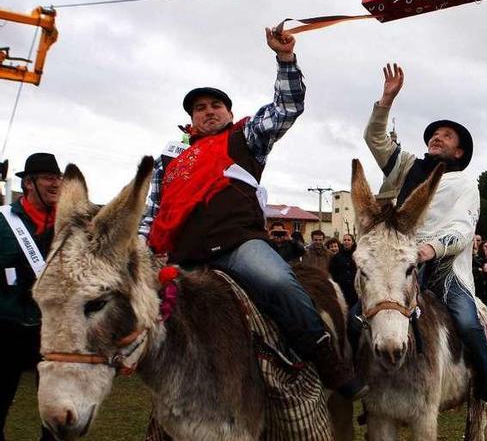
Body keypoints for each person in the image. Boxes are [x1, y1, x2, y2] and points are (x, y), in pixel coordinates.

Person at [137, 27, 364, 399]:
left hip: (238, 244)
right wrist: (140, 254)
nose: (208, 112)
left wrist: (285, 59)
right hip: (184, 255)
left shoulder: (246, 137)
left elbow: (287, 108)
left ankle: (327, 360)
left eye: (216, 106)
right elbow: (153, 211)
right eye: (200, 108)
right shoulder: (172, 160)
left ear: (229, 112)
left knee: (277, 282)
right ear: (192, 119)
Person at [362, 62, 487, 420]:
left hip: (444, 270)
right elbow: (375, 140)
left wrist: (432, 248)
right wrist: (386, 100)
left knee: (465, 319)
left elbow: (463, 230)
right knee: (358, 314)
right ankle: (362, 385)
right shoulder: (405, 167)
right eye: (435, 134)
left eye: (447, 136)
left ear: (460, 152)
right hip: (399, 262)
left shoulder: (466, 185)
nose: (437, 137)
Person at [0, 152, 61, 441]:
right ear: (29, 184)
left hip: (50, 329)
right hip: (7, 325)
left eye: (59, 179)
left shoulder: (68, 224)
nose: (56, 184)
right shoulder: (3, 223)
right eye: (49, 178)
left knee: (55, 412)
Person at [329, 233, 358, 308]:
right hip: (342, 289)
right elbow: (333, 272)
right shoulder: (337, 256)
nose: (346, 241)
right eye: (345, 240)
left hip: (355, 290)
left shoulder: (357, 255)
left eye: (349, 240)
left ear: (352, 242)